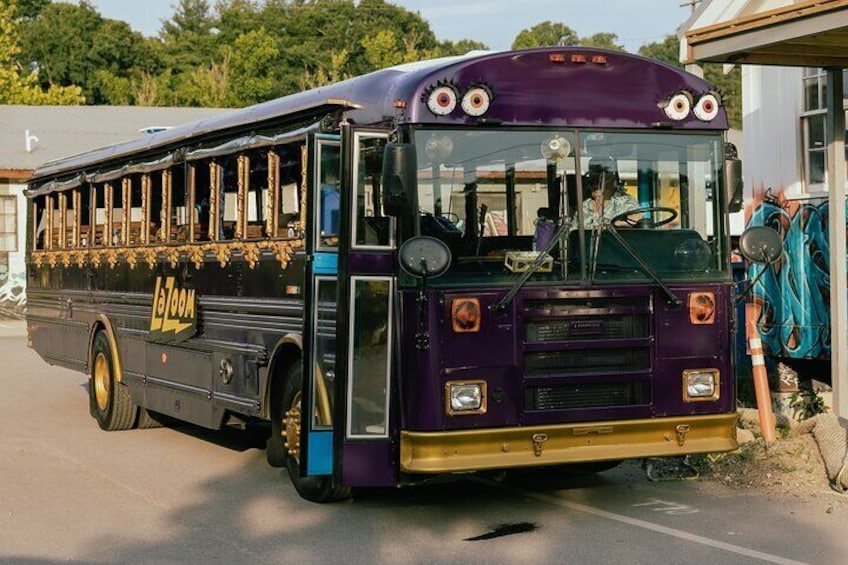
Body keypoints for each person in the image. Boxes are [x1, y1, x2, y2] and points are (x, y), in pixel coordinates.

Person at [580, 156, 639, 228]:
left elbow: (637, 221)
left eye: (604, 178)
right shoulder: (583, 205)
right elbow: (572, 233)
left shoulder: (625, 202)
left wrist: (619, 224)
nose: (599, 183)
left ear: (613, 178)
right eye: (595, 179)